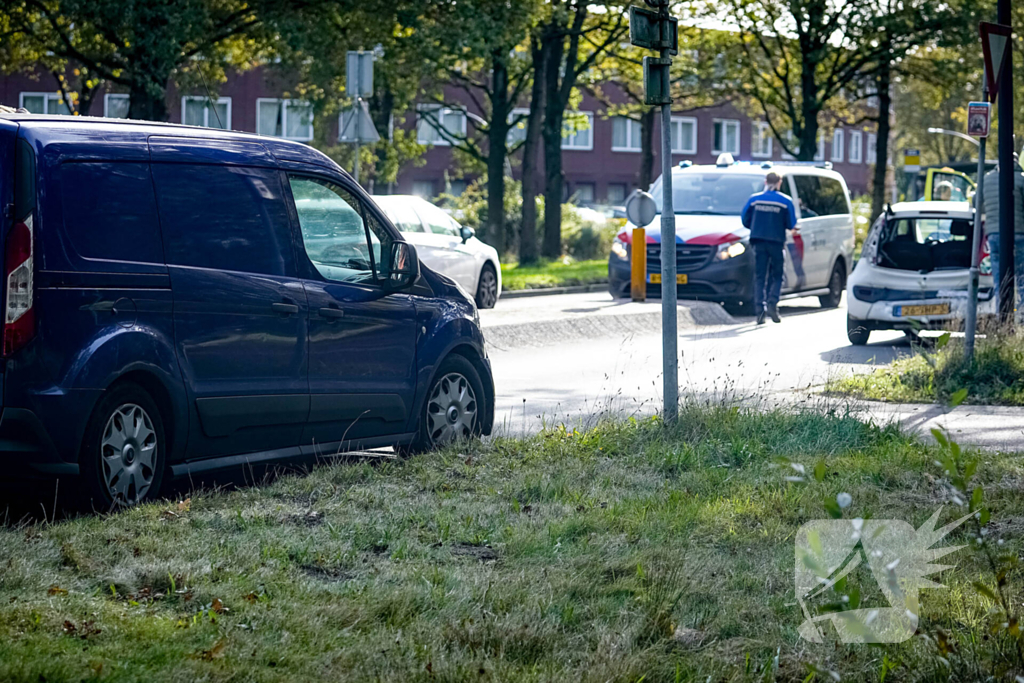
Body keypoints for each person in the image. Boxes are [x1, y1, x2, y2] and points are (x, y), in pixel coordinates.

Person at [741, 172, 798, 325]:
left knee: (760, 276)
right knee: (777, 275)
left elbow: (745, 220)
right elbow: (791, 223)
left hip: (758, 242)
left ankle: (759, 311)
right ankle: (773, 303)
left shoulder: (754, 200)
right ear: (779, 183)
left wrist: (757, 227)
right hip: (777, 243)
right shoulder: (786, 201)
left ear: (765, 182)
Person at [979, 154, 1024, 308]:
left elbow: (977, 202)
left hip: (993, 234)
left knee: (1000, 278)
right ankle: (1022, 315)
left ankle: (1003, 315)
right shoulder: (1021, 179)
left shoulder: (987, 179)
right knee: (1022, 278)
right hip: (1018, 234)